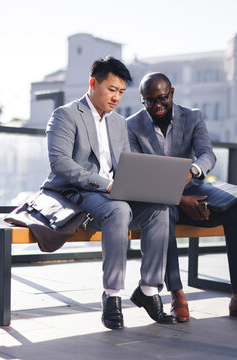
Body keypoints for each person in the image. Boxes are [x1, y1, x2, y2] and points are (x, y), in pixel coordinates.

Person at [126, 72, 237, 323]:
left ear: (171, 93)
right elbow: (138, 173)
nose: (156, 106)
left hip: (193, 189)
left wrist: (192, 170)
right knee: (164, 213)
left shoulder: (192, 116)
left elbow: (207, 154)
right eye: (149, 102)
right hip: (158, 198)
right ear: (143, 100)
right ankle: (177, 294)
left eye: (162, 99)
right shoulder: (132, 125)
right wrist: (179, 199)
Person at [40, 58, 177, 329]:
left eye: (121, 92)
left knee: (159, 210)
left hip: (113, 194)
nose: (116, 97)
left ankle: (149, 290)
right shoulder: (65, 115)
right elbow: (61, 164)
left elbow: (126, 163)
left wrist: (142, 183)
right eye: (112, 89)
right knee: (119, 209)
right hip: (75, 193)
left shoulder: (119, 123)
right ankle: (112, 295)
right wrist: (107, 185)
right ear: (93, 83)